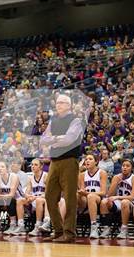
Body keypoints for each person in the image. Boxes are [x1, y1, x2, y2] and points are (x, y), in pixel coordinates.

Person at [39, 94, 84, 243]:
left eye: (62, 103)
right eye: (57, 102)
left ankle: (69, 233)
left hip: (70, 161)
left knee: (70, 198)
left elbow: (69, 139)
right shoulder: (53, 121)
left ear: (69, 105)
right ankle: (58, 231)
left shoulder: (76, 120)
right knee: (49, 197)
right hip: (54, 161)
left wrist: (54, 139)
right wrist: (58, 139)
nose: (59, 105)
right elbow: (43, 140)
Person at [100, 159, 134, 239]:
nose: (124, 167)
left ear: (132, 168)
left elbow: (132, 197)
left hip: (132, 203)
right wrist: (115, 183)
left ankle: (124, 229)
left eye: (127, 166)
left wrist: (117, 197)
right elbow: (109, 195)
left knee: (124, 202)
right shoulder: (116, 177)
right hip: (118, 202)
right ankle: (106, 228)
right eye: (123, 165)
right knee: (104, 202)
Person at [0, 162, 24, 235]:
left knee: (10, 200)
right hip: (5, 199)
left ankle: (13, 224)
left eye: (2, 167)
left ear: (7, 169)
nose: (0, 169)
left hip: (19, 199)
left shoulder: (13, 176)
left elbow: (12, 194)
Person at [77, 154, 108, 239]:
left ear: (96, 162)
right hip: (86, 199)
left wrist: (86, 193)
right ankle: (68, 225)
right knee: (75, 196)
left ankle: (94, 227)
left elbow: (103, 192)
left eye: (90, 159)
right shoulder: (82, 175)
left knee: (91, 196)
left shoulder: (102, 172)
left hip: (98, 198)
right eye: (86, 159)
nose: (87, 161)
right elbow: (82, 190)